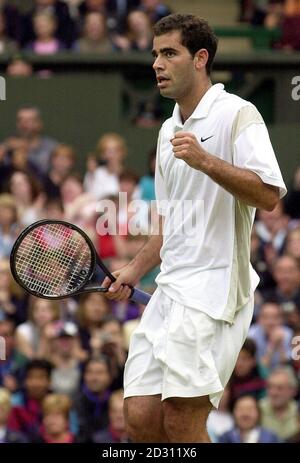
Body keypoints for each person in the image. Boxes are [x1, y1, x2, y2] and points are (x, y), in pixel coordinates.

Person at [102, 13, 287, 443]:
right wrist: (133, 268)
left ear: (200, 58)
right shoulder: (169, 130)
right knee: (140, 418)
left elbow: (268, 195)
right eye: (154, 55)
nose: (157, 64)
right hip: (171, 289)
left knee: (181, 422)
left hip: (216, 293)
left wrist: (205, 160)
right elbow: (169, 224)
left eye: (170, 53)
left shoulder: (239, 114)